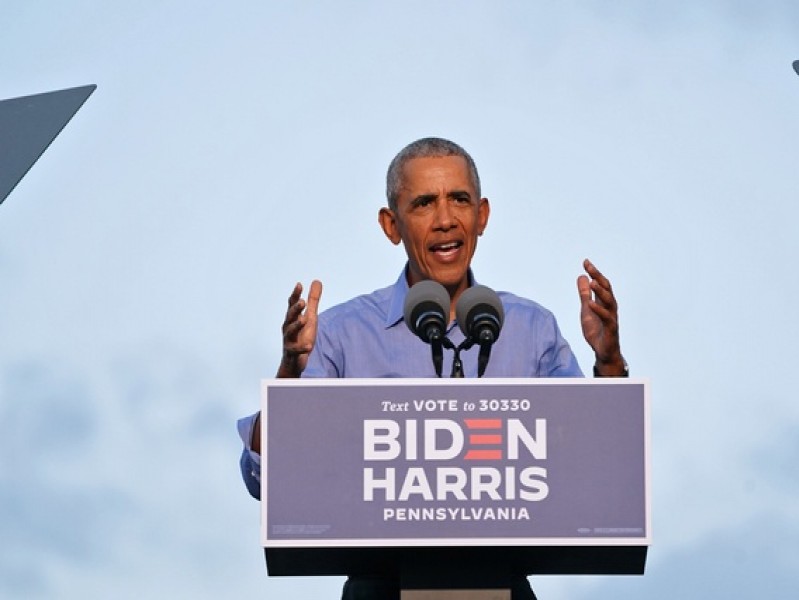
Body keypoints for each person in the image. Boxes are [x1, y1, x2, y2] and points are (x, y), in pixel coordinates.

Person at [237, 137, 628, 600]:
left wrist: (608, 364)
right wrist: (288, 374)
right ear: (391, 225)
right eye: (423, 203)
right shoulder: (340, 333)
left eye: (459, 199)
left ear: (481, 215)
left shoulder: (531, 328)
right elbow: (265, 479)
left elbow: (594, 466)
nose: (445, 219)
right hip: (380, 587)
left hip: (500, 585)